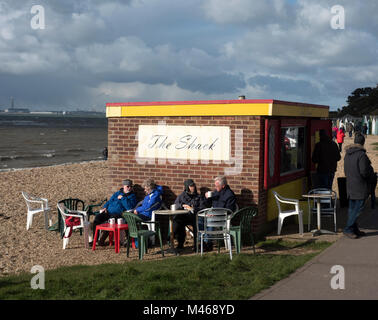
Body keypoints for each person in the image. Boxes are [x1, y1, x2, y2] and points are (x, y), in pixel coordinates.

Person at [343, 133, 375, 239]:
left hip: (350, 184)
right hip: (360, 186)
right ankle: (348, 229)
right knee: (358, 209)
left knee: (353, 208)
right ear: (363, 143)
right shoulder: (361, 155)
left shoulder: (348, 154)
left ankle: (354, 229)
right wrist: (371, 174)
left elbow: (346, 170)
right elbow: (364, 172)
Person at [92, 179, 137, 244]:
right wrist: (105, 207)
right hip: (108, 212)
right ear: (124, 186)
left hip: (119, 214)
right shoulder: (117, 193)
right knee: (97, 218)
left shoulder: (132, 196)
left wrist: (122, 198)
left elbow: (129, 207)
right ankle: (95, 240)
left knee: (111, 221)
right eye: (128, 186)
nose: (129, 188)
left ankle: (102, 240)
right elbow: (110, 201)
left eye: (131, 186)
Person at [202, 176, 237, 251]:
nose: (215, 187)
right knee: (199, 220)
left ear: (223, 186)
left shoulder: (229, 195)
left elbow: (229, 210)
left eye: (217, 186)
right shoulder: (215, 192)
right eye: (215, 186)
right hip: (213, 214)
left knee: (209, 220)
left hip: (223, 217)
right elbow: (207, 204)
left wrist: (215, 214)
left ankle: (207, 243)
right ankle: (202, 241)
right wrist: (206, 197)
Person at [172, 179, 205, 252]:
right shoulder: (181, 196)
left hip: (195, 217)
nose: (193, 187)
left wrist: (193, 208)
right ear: (187, 187)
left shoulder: (199, 197)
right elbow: (176, 205)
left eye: (194, 185)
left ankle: (197, 245)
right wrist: (182, 205)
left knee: (198, 223)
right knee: (177, 221)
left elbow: (203, 207)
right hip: (184, 217)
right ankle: (179, 243)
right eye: (191, 186)